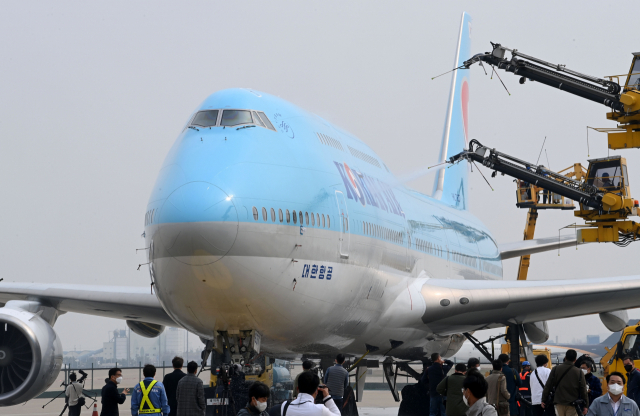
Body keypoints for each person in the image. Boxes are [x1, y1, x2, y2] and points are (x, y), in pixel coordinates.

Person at [541, 350, 588, 416]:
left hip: (559, 402)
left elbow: (548, 385)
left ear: (565, 358)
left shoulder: (556, 369)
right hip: (572, 403)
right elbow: (583, 389)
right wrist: (586, 405)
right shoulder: (579, 372)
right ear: (575, 359)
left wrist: (544, 399)